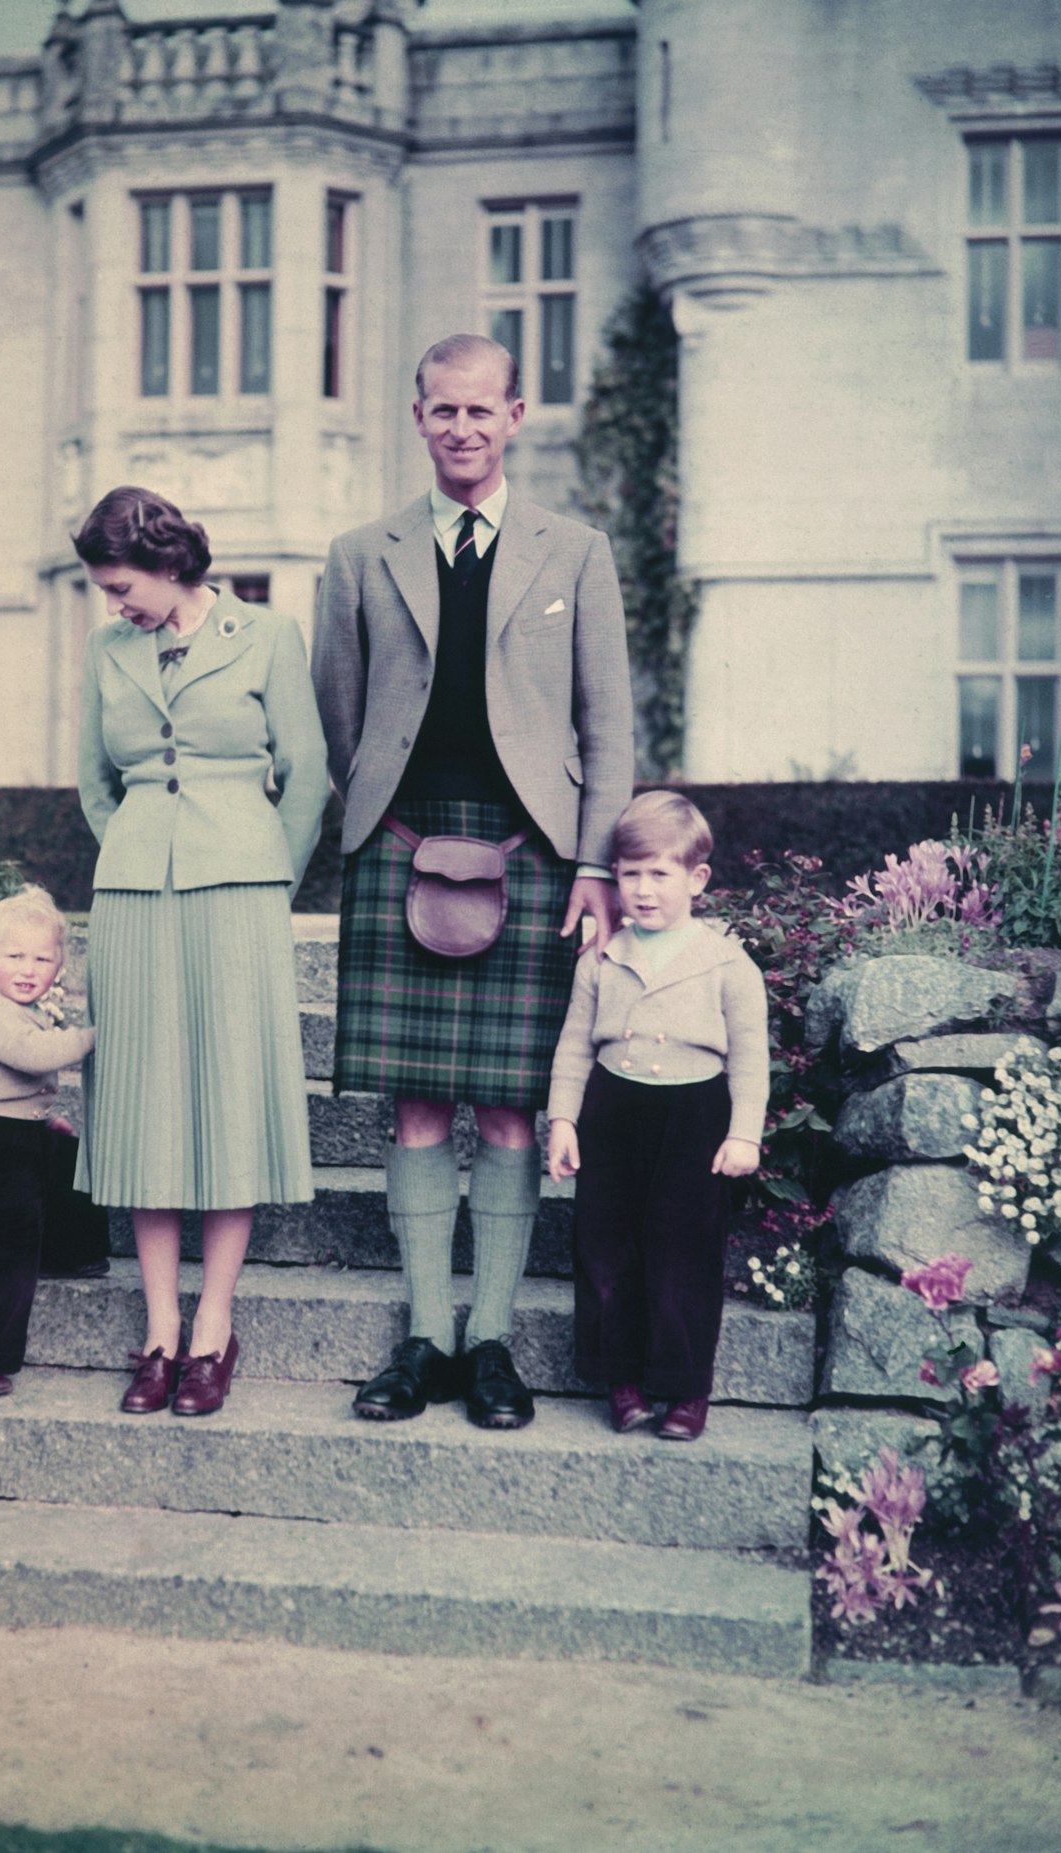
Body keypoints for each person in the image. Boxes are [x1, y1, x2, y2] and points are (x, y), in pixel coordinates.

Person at [312, 333, 634, 1429]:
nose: (461, 427)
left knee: (507, 1109)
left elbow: (610, 721)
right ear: (417, 416)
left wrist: (594, 862)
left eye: (480, 411)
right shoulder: (361, 552)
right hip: (403, 840)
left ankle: (490, 1341)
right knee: (415, 1105)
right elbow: (339, 711)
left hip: (532, 851)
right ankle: (420, 1338)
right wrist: (375, 824)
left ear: (515, 414)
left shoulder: (577, 550)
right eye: (442, 410)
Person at [74, 485, 328, 1418]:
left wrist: (267, 879)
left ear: (170, 562)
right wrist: (136, 850)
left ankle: (214, 1326)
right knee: (145, 1103)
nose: (114, 604)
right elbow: (96, 783)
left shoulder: (267, 638)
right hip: (136, 895)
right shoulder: (107, 651)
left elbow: (307, 779)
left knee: (226, 1096)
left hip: (240, 893)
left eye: (120, 585)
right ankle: (159, 1332)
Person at [546, 791, 769, 1441]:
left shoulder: (727, 963)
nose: (642, 890)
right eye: (629, 872)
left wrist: (744, 1132)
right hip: (613, 1109)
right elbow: (573, 1044)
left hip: (693, 1116)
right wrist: (563, 1120)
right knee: (606, 1246)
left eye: (659, 874)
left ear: (697, 879)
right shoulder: (603, 958)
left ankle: (685, 1387)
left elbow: (752, 1056)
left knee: (684, 1252)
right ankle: (623, 1380)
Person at [0, 884, 111, 1399]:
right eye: (15, 956)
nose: (28, 969)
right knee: (6, 1246)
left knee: (69, 1167)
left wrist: (42, 1119)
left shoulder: (28, 1007)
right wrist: (96, 1036)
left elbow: (20, 1085)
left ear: (59, 966)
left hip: (19, 1131)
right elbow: (34, 1055)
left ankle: (71, 1251)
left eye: (42, 958)